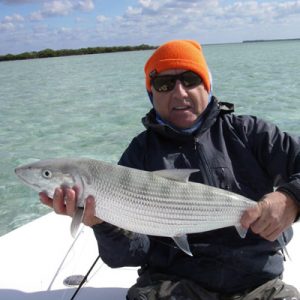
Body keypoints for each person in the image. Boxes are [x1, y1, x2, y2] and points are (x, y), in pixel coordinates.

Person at [40, 40, 300, 299]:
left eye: (190, 79)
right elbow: (129, 254)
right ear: (151, 94)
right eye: (164, 84)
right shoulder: (139, 153)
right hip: (171, 287)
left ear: (207, 86)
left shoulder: (249, 133)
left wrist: (291, 198)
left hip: (259, 285)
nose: (180, 93)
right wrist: (101, 223)